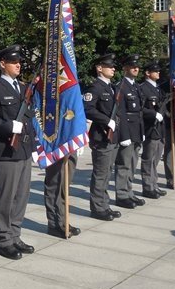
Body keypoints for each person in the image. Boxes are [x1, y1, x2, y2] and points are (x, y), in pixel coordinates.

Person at [0, 44, 35, 260]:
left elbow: (29, 119)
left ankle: (15, 234)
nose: (18, 64)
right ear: (3, 64)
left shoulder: (22, 88)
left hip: (24, 150)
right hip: (6, 151)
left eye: (19, 61)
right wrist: (9, 126)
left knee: (21, 196)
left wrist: (34, 146)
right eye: (14, 61)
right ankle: (4, 239)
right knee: (5, 197)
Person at [83, 53, 122, 221]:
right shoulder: (95, 88)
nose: (113, 68)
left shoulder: (111, 88)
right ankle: (98, 208)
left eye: (113, 66)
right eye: (109, 66)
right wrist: (107, 121)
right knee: (100, 173)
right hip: (101, 136)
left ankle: (104, 204)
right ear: (99, 68)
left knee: (107, 173)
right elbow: (88, 108)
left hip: (112, 137)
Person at [113, 54, 145, 210]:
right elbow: (121, 113)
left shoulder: (136, 86)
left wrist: (141, 131)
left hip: (136, 130)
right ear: (125, 68)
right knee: (124, 164)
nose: (136, 69)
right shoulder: (121, 86)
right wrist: (124, 135)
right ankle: (122, 195)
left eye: (137, 66)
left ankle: (129, 191)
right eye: (133, 66)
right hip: (127, 132)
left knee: (132, 164)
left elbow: (139, 112)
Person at [139, 61, 167, 199]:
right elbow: (139, 108)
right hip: (150, 127)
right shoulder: (143, 88)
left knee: (155, 159)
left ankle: (154, 185)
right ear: (147, 73)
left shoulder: (158, 89)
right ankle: (148, 187)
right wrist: (153, 114)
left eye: (158, 71)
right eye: (155, 71)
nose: (158, 73)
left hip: (160, 129)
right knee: (148, 159)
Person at [44, 153, 82, 238]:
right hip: (54, 143)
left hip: (69, 142)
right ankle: (54, 224)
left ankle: (63, 221)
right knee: (55, 182)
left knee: (64, 184)